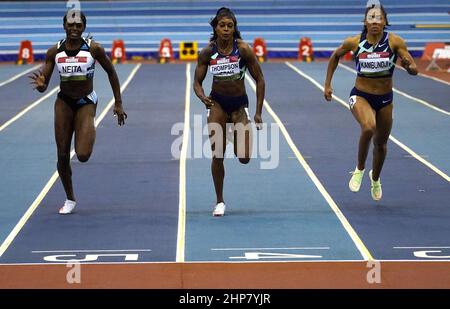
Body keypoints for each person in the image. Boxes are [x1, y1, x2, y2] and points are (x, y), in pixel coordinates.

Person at [29, 10, 127, 214]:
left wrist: (118, 103)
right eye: (70, 25)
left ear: (83, 27)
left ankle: (85, 130)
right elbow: (44, 84)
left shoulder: (94, 49)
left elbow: (111, 72)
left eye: (78, 26)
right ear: (64, 26)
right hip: (64, 102)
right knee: (63, 154)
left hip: (86, 102)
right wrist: (40, 85)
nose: (74, 29)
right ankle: (70, 198)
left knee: (82, 155)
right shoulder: (54, 52)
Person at [324, 3, 417, 201]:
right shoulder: (355, 42)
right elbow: (335, 56)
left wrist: (409, 67)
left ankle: (375, 179)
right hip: (360, 95)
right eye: (371, 18)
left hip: (385, 99)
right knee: (368, 127)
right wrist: (327, 84)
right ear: (365, 22)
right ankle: (359, 168)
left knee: (381, 144)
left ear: (385, 22)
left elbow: (414, 69)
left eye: (378, 18)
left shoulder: (395, 42)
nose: (375, 22)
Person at [193, 7, 265, 216]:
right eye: (222, 25)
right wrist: (201, 95)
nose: (226, 29)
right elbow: (197, 82)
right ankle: (220, 201)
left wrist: (258, 111)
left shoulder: (243, 49)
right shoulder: (208, 52)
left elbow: (260, 79)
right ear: (215, 28)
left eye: (230, 26)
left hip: (239, 105)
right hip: (217, 104)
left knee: (244, 158)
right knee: (218, 154)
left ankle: (235, 134)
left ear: (234, 29)